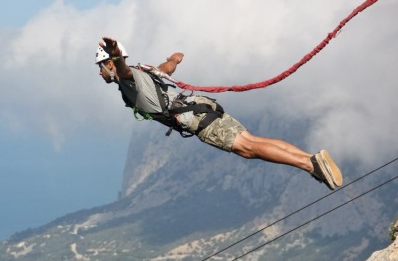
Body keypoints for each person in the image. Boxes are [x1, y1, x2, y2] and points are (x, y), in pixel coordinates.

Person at [95, 36, 343, 190]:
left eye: (101, 68)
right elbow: (164, 69)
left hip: (197, 118)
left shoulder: (128, 79)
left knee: (247, 149)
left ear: (109, 65)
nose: (100, 74)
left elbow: (123, 72)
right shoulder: (143, 71)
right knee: (251, 142)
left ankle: (310, 165)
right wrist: (175, 59)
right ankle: (312, 159)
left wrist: (116, 56)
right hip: (202, 106)